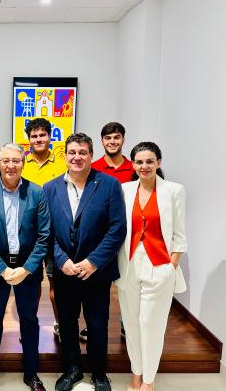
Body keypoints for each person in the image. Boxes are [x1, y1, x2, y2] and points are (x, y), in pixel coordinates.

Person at [43, 133, 126, 391]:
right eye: (72, 152)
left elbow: (117, 229)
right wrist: (61, 260)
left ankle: (99, 372)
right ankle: (72, 369)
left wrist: (93, 262)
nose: (77, 157)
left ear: (91, 155)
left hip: (96, 272)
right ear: (65, 156)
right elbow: (46, 231)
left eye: (82, 152)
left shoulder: (109, 185)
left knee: (98, 324)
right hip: (65, 270)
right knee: (67, 324)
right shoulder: (50, 188)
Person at [0, 143, 50, 391]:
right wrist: (2, 269)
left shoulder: (37, 193)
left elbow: (44, 236)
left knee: (29, 320)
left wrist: (26, 269)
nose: (10, 166)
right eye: (5, 160)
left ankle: (31, 373)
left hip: (27, 268)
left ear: (23, 163)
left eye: (16, 161)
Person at [116, 142, 187, 391]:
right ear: (133, 164)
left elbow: (179, 234)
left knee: (150, 323)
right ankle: (136, 372)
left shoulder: (174, 191)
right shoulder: (125, 190)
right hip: (129, 264)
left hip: (160, 265)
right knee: (131, 322)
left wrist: (172, 265)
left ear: (158, 162)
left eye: (149, 161)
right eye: (139, 162)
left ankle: (149, 379)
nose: (144, 166)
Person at [21, 117, 67, 340]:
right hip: (29, 234)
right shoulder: (22, 164)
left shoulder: (62, 163)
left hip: (55, 233)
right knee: (31, 284)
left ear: (50, 137)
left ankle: (60, 324)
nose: (38, 139)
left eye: (42, 135)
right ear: (29, 140)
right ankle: (29, 326)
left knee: (57, 284)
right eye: (34, 136)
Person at [90, 121, 133, 342]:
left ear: (123, 139)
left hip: (129, 234)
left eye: (116, 137)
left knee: (127, 282)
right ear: (102, 141)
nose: (112, 141)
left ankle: (127, 323)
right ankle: (96, 326)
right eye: (108, 138)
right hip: (100, 236)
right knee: (101, 285)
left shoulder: (134, 169)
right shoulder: (93, 168)